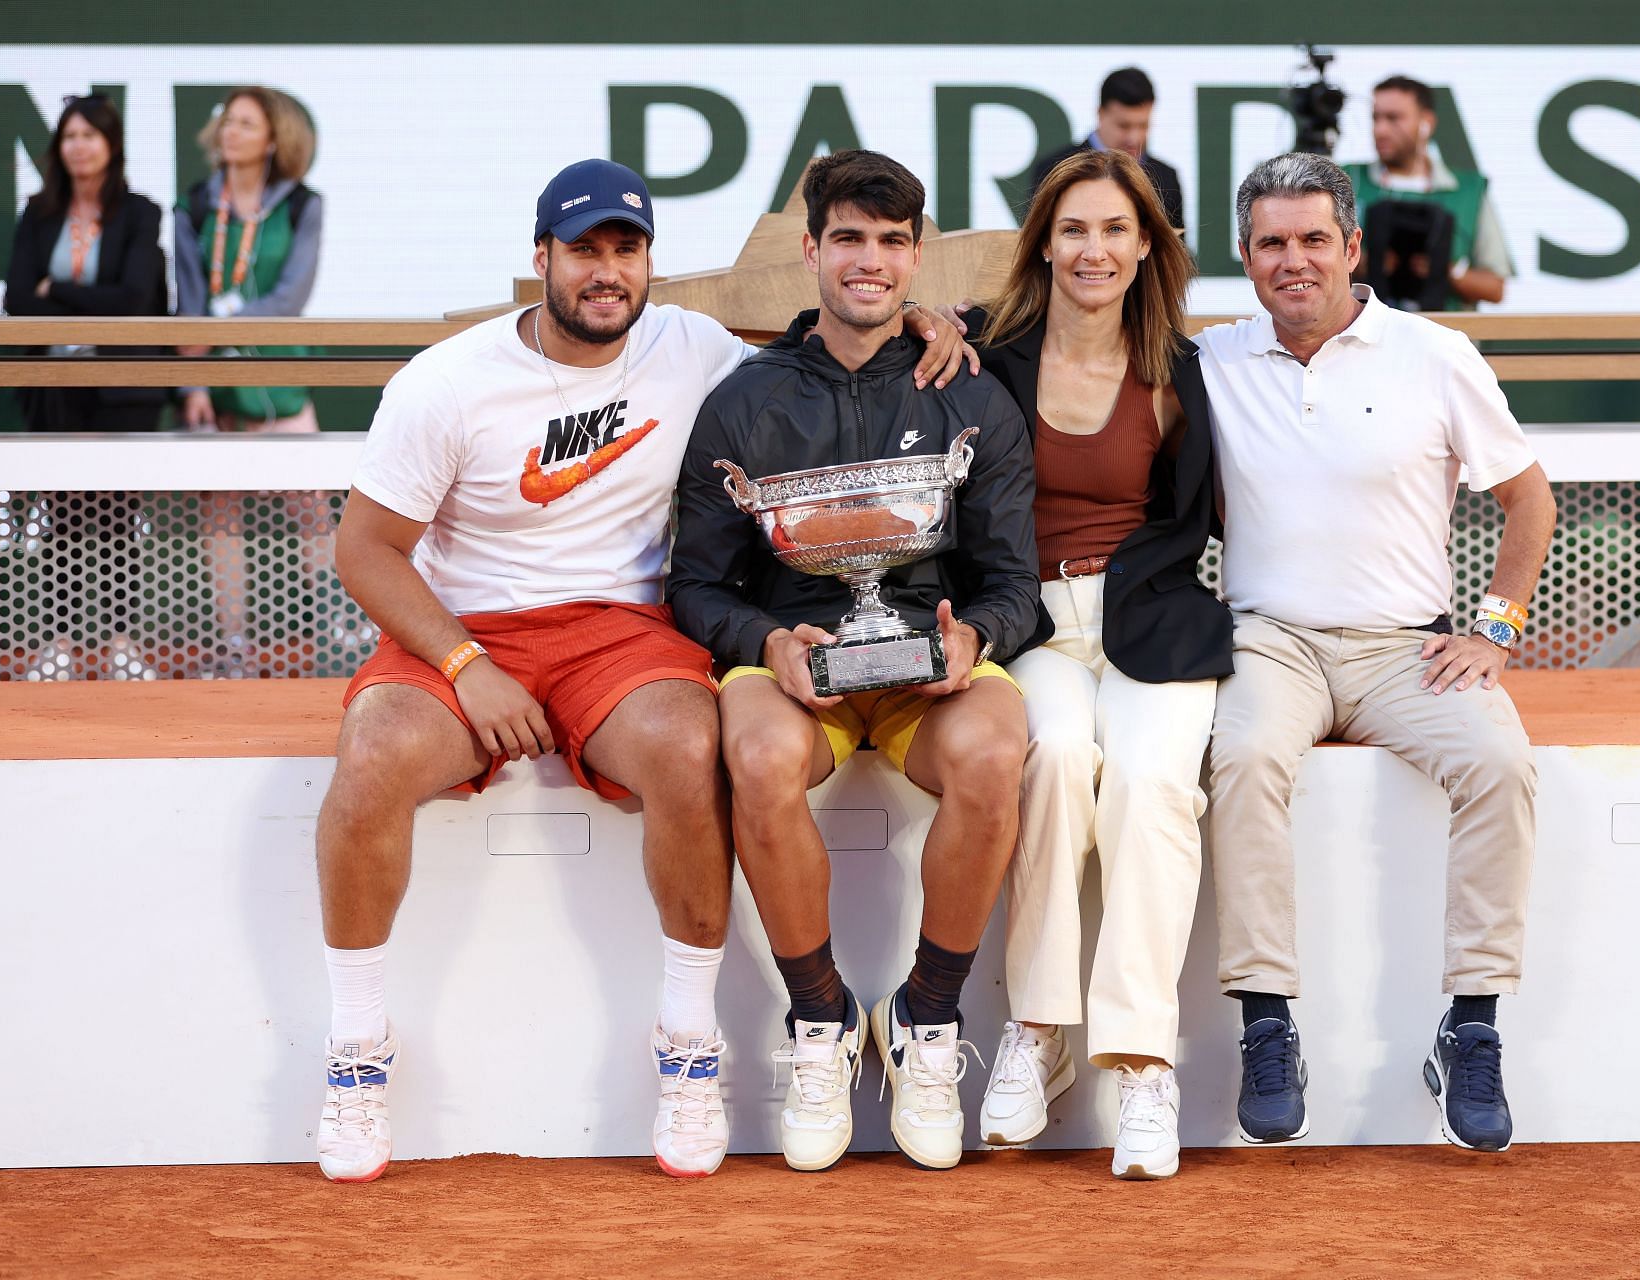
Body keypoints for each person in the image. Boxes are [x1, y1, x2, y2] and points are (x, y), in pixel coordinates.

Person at [312, 155, 976, 1185]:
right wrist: (464, 662)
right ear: (542, 259)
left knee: (685, 742)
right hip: (469, 625)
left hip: (620, 628)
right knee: (371, 757)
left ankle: (688, 1046)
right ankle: (356, 1052)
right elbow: (364, 549)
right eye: (584, 251)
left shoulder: (695, 348)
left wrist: (928, 318)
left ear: (650, 261)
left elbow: (829, 341)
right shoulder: (447, 381)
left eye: (626, 249)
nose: (606, 272)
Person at [667, 149, 1039, 1174]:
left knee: (999, 750)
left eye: (890, 241)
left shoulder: (970, 393)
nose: (868, 261)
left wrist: (975, 639)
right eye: (849, 240)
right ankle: (821, 1020)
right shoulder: (744, 403)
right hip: (797, 661)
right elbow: (694, 586)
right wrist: (766, 644)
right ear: (811, 250)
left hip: (928, 662)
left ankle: (925, 1019)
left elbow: (1016, 581)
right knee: (753, 754)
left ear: (916, 256)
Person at [1194, 153, 1556, 1153]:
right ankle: (1266, 1023)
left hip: (1410, 646)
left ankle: (1471, 1026)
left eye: (1315, 239)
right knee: (1246, 756)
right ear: (1245, 254)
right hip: (1271, 639)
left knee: (1501, 763)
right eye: (1272, 242)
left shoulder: (1435, 353)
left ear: (1354, 247)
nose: (1294, 260)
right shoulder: (1214, 358)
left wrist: (1496, 629)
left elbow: (1530, 497)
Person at [963, 149, 1229, 1180]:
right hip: (1030, 623)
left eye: (1117, 229)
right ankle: (1038, 1027)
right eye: (1075, 228)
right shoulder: (985, 355)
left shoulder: (1181, 372)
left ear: (1148, 246)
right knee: (1058, 759)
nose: (1095, 248)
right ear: (1044, 242)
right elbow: (840, 335)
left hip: (1147, 621)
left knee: (1155, 785)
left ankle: (1143, 1060)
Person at [2, 93, 168, 432]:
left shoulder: (140, 213)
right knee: (53, 484)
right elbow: (17, 298)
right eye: (69, 136)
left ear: (112, 144)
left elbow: (132, 299)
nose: (78, 146)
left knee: (120, 485)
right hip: (52, 384)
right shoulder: (38, 211)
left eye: (89, 135)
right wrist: (90, 310)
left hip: (124, 388)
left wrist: (56, 289)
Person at [173, 86, 324, 431]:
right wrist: (192, 386)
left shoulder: (303, 205)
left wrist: (216, 330)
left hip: (282, 383)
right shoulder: (194, 205)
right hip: (213, 391)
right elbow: (190, 307)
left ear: (274, 140)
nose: (231, 132)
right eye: (227, 122)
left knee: (297, 483)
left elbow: (290, 299)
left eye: (246, 124)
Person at [1342, 76, 1512, 310]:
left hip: (1445, 338)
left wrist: (1445, 270)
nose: (1380, 129)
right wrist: (1359, 263)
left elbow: (1495, 288)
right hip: (1362, 340)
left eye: (1393, 118)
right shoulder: (1346, 180)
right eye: (1375, 118)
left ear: (1426, 123)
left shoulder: (1468, 190)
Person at [1029, 68, 1185, 233]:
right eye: (1124, 126)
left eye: (1143, 125)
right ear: (1100, 114)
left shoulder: (1167, 177)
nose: (1134, 138)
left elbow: (1178, 252)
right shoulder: (1053, 169)